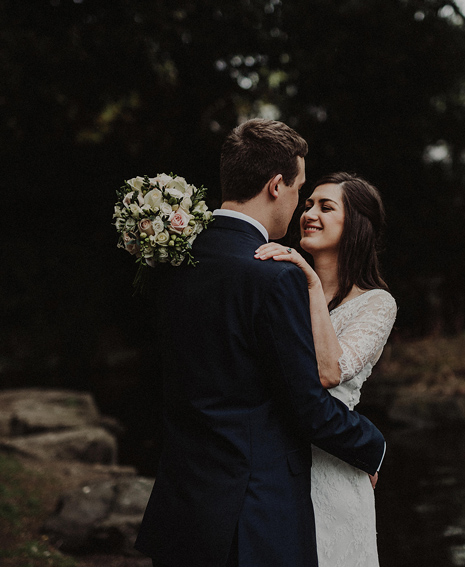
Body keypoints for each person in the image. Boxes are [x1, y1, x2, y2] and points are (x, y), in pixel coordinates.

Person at [134, 120, 386, 567]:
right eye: (300, 192)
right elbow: (306, 404)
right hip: (251, 515)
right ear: (276, 186)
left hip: (181, 503)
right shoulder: (274, 277)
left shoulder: (168, 260)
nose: (302, 207)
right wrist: (373, 445)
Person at [255, 172, 397, 567]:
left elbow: (330, 372)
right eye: (308, 203)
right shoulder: (283, 287)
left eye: (325, 206)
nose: (309, 213)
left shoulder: (377, 304)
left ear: (357, 225)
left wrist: (314, 287)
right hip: (278, 471)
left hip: (336, 471)